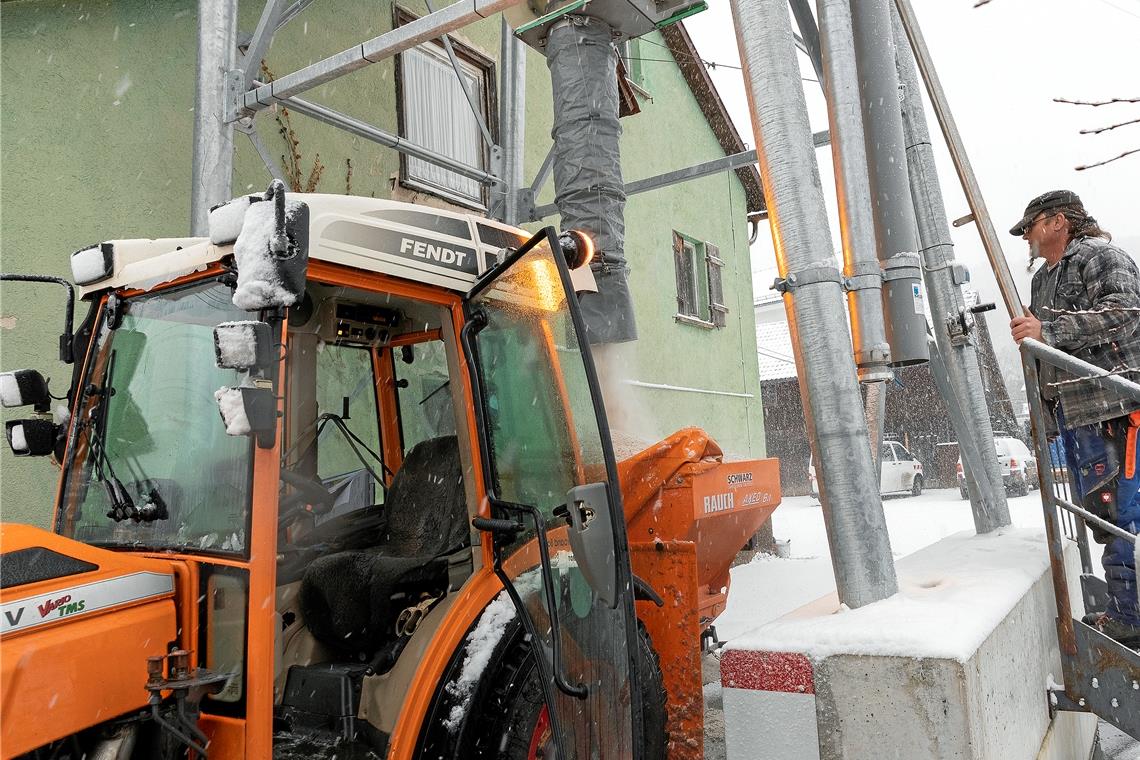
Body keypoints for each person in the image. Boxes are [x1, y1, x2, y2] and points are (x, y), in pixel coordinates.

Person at [1009, 190, 1140, 648]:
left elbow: (1124, 313)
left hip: (1117, 408)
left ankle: (1131, 620)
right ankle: (1125, 610)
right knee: (1105, 519)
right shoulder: (1043, 280)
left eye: (1031, 225)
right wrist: (1042, 416)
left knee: (1127, 516)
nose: (1026, 236)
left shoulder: (1101, 257)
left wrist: (1049, 331)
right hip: (1078, 413)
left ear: (1058, 222)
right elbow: (1045, 355)